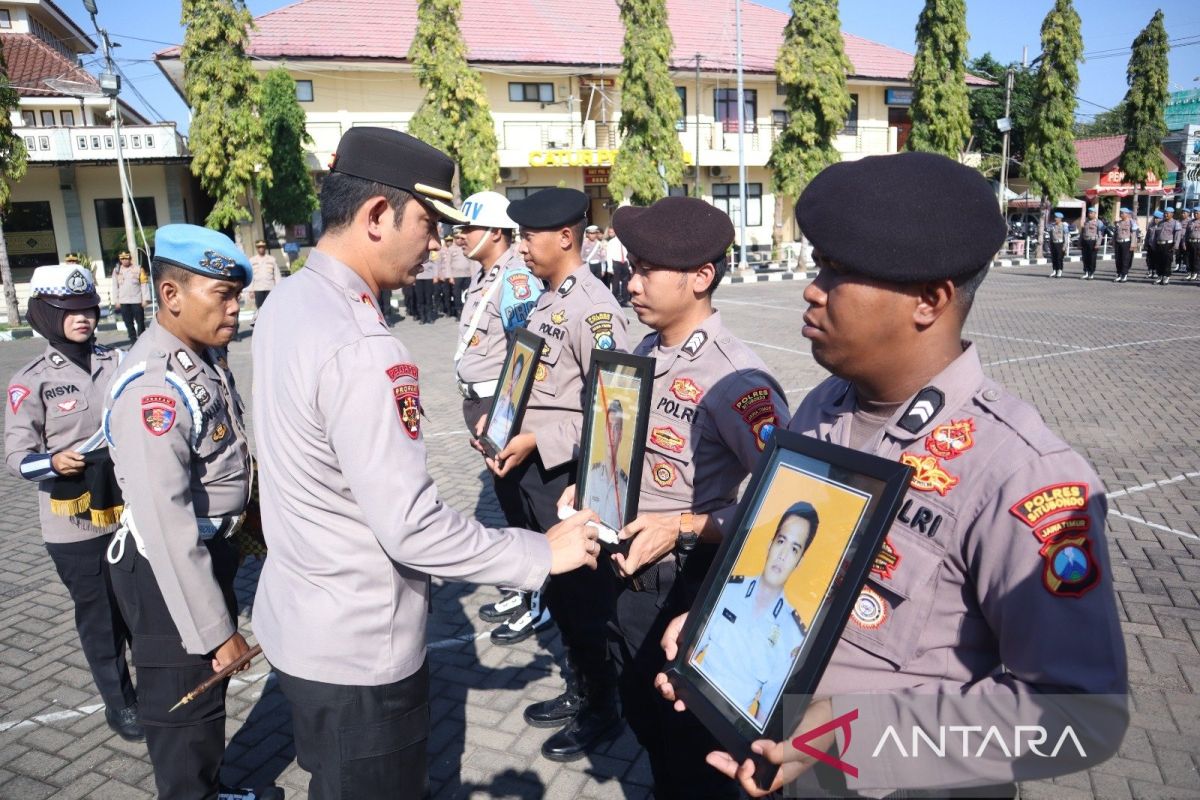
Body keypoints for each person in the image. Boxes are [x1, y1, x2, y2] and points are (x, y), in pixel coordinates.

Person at [657, 152, 1127, 797]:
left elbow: (1082, 718)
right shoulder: (828, 405)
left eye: (839, 271)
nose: (812, 287)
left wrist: (853, 736)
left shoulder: (1021, 474)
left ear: (929, 302)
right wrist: (712, 629)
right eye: (819, 263)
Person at [248, 127, 601, 799]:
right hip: (360, 651)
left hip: (302, 627)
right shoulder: (363, 344)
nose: (437, 244)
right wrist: (540, 556)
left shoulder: (289, 302)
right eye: (430, 223)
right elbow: (412, 526)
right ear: (379, 216)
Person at [588, 194, 790, 799]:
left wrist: (681, 525)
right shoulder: (648, 351)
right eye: (631, 266)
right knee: (644, 718)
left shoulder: (737, 382)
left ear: (701, 277)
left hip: (684, 587)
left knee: (691, 751)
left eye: (648, 269)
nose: (632, 282)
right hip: (628, 574)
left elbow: (784, 509)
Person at [102, 224, 279, 800]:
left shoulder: (199, 357)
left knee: (206, 706)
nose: (235, 308)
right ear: (171, 295)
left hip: (206, 553)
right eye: (220, 295)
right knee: (186, 713)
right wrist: (215, 631)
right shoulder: (156, 385)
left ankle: (208, 787)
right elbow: (165, 518)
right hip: (166, 571)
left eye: (237, 295)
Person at [479, 187, 629, 759]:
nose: (519, 247)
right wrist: (499, 431)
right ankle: (580, 687)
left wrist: (538, 437)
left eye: (527, 236)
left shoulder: (594, 309)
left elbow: (612, 410)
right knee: (559, 595)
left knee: (582, 599)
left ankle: (603, 707)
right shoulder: (544, 299)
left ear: (565, 237)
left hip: (564, 477)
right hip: (528, 470)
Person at [4, 264, 142, 743]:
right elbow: (16, 460)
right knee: (101, 619)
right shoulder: (31, 380)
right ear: (46, 312)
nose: (82, 318)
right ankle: (120, 702)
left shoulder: (119, 361)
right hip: (75, 523)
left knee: (141, 609)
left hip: (128, 512)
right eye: (70, 310)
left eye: (87, 309)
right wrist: (51, 462)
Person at [454, 190, 545, 625]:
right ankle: (520, 588)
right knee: (509, 506)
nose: (459, 235)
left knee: (525, 507)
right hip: (481, 404)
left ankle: (539, 602)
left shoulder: (514, 279)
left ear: (494, 232)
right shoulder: (483, 275)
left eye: (467, 228)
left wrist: (506, 415)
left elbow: (523, 355)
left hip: (500, 406)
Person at [692, 503, 815, 728]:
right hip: (691, 697)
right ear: (770, 544)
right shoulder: (729, 588)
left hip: (730, 725)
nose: (782, 555)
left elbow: (765, 714)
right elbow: (691, 647)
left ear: (800, 562)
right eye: (781, 541)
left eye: (795, 549)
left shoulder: (793, 633)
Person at [582, 398, 630, 531]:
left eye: (616, 429)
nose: (612, 436)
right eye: (609, 427)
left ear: (620, 435)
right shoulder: (589, 475)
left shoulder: (626, 486)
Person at [485, 351, 527, 447]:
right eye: (512, 376)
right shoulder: (497, 400)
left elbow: (501, 441)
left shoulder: (512, 413)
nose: (511, 382)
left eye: (516, 378)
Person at [110, 250, 146, 342]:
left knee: (140, 322)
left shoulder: (138, 269)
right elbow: (115, 286)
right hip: (123, 301)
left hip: (136, 300)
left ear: (130, 258)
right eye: (122, 259)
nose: (124, 260)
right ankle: (133, 341)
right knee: (128, 323)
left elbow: (144, 284)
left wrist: (145, 299)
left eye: (126, 258)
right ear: (120, 259)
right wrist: (116, 301)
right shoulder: (117, 270)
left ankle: (142, 340)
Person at [1148, 206, 1183, 285]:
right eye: (1165, 213)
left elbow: (1177, 236)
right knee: (1159, 262)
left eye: (1167, 213)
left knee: (1167, 262)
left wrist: (1175, 246)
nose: (1165, 215)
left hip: (1168, 245)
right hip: (1159, 244)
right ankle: (1159, 276)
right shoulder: (1160, 223)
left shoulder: (1175, 223)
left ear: (1172, 214)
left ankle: (1166, 276)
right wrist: (1153, 244)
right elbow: (1155, 235)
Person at [445, 230, 477, 316]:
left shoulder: (466, 247)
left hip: (467, 275)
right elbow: (447, 263)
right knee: (457, 295)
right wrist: (450, 276)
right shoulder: (451, 249)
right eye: (457, 238)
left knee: (467, 294)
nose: (459, 240)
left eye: (461, 238)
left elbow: (471, 262)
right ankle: (459, 312)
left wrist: (473, 274)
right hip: (456, 276)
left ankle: (467, 311)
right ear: (454, 239)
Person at [248, 239, 279, 319]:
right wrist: (251, 290)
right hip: (258, 288)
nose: (261, 249)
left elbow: (277, 274)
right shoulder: (252, 260)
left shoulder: (272, 259)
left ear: (265, 247)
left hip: (270, 287)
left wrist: (278, 287)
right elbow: (251, 276)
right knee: (260, 308)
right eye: (259, 247)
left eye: (262, 247)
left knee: (270, 307)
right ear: (257, 248)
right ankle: (261, 324)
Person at [1112, 207, 1139, 283]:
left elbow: (1134, 234)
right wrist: (1113, 242)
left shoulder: (1131, 222)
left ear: (1127, 214)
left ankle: (1124, 275)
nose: (1121, 214)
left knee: (1125, 259)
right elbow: (1115, 233)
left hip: (1126, 243)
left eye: (1122, 213)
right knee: (1118, 260)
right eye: (1120, 213)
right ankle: (1119, 274)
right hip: (1118, 242)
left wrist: (1133, 244)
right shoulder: (1118, 223)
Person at [1078, 207, 1105, 280]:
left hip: (1093, 241)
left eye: (1091, 213)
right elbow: (1082, 233)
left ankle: (1091, 273)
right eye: (1089, 213)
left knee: (1092, 258)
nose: (1089, 214)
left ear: (1095, 214)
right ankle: (1086, 272)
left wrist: (1098, 244)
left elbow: (1100, 234)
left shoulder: (1098, 222)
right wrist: (1080, 242)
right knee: (1085, 258)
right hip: (1085, 241)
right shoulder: (1086, 221)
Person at [605, 226, 628, 305]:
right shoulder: (611, 242)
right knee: (615, 282)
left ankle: (625, 300)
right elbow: (609, 255)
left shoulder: (625, 241)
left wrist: (629, 265)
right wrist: (610, 267)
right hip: (616, 263)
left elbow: (627, 253)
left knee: (625, 282)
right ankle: (615, 300)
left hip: (624, 263)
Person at [414, 251, 438, 323]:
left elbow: (435, 265)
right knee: (420, 299)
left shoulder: (432, 253)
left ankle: (429, 317)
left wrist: (435, 276)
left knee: (429, 298)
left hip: (429, 278)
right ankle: (422, 317)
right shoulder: (416, 252)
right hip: (418, 279)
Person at [1046, 211, 1068, 278]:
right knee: (1054, 258)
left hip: (1060, 243)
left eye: (1057, 218)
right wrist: (1049, 244)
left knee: (1059, 258)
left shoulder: (1064, 226)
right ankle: (1054, 270)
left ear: (1060, 218)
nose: (1055, 219)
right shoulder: (1052, 225)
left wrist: (1065, 246)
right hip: (1053, 243)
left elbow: (1066, 237)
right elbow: (1050, 235)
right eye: (1055, 217)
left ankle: (1059, 270)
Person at [1186, 206, 1200, 281]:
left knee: (1196, 259)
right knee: (1189, 258)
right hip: (1190, 242)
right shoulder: (1190, 222)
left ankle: (1195, 272)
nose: (1195, 215)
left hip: (1198, 243)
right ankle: (1190, 272)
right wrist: (1185, 242)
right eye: (1194, 213)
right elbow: (1187, 233)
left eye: (1197, 213)